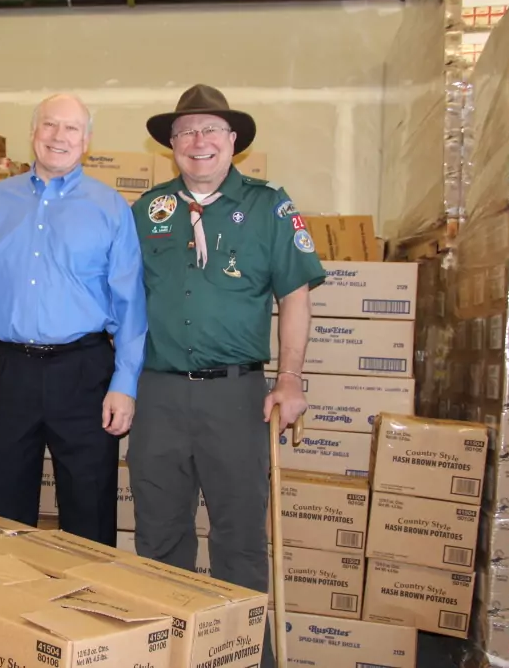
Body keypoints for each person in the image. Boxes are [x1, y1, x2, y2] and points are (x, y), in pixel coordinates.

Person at [128, 84, 325, 668]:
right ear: (171, 144)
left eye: (211, 130)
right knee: (160, 539)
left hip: (237, 397)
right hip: (157, 394)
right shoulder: (147, 211)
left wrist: (290, 378)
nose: (199, 141)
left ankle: (244, 660)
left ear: (233, 141)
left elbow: (294, 296)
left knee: (239, 539)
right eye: (186, 131)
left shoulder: (269, 207)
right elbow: (123, 300)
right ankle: (172, 656)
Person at [0, 93, 147, 547]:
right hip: (3, 370)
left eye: (71, 128)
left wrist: (125, 382)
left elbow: (130, 304)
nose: (59, 137)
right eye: (50, 126)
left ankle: (89, 610)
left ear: (87, 140)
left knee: (89, 507)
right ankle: (3, 607)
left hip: (83, 372)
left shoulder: (110, 208)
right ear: (34, 134)